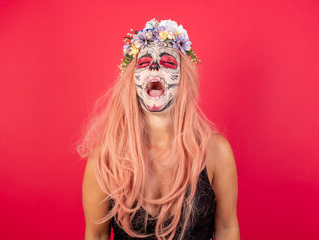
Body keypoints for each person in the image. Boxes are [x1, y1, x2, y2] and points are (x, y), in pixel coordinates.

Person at [79, 18, 240, 240]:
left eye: (167, 62)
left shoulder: (215, 151)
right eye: (144, 62)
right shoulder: (105, 159)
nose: (155, 67)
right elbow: (96, 235)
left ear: (185, 79)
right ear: (131, 80)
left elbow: (226, 228)